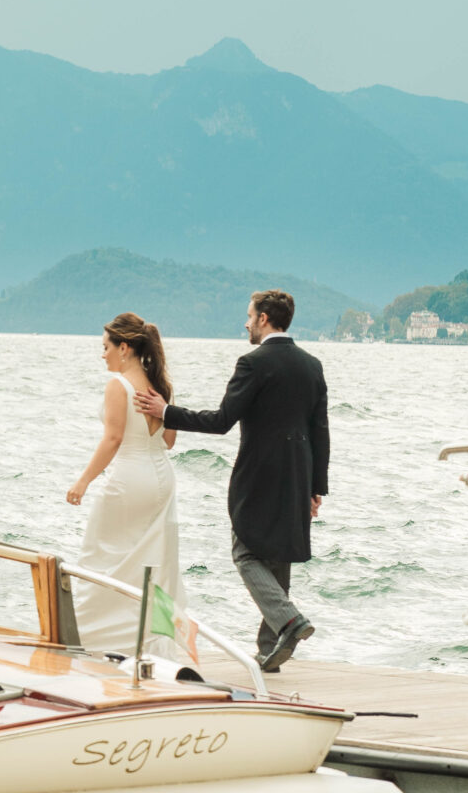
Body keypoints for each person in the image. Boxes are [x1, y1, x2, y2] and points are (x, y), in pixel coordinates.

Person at [134, 287, 328, 673]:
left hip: (260, 473)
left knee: (245, 551)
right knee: (278, 556)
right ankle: (270, 650)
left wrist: (167, 411)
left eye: (249, 315)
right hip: (298, 472)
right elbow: (320, 429)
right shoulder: (312, 365)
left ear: (264, 319)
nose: (246, 322)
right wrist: (316, 487)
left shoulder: (253, 363)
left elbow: (222, 421)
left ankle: (289, 621)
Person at [65, 314, 189, 655]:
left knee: (101, 555)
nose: (102, 354)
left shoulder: (118, 386)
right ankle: (152, 639)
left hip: (129, 479)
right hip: (162, 481)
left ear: (124, 347)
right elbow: (169, 441)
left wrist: (83, 481)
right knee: (155, 562)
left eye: (105, 347)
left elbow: (114, 438)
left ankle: (89, 638)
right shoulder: (159, 385)